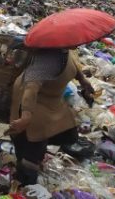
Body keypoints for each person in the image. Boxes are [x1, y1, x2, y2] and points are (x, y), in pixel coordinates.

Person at [7, 49, 95, 186]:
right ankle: (25, 182)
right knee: (31, 144)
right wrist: (26, 116)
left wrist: (83, 80)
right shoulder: (45, 61)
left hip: (52, 100)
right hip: (31, 102)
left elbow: (73, 67)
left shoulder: (65, 52)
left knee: (69, 135)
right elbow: (30, 90)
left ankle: (34, 154)